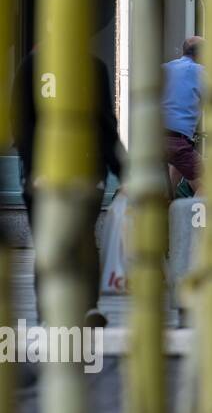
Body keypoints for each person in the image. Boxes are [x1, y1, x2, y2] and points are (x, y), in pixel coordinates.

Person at [11, 44, 126, 325]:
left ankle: (52, 310)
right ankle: (82, 306)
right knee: (82, 238)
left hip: (53, 174)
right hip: (82, 171)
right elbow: (106, 125)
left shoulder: (30, 65)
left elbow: (21, 123)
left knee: (50, 241)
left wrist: (32, 168)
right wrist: (123, 171)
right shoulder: (93, 66)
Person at [161, 36, 205, 195]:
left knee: (174, 176)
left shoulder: (165, 68)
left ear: (182, 50)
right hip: (178, 141)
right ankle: (196, 219)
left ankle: (165, 215)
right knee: (207, 184)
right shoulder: (200, 72)